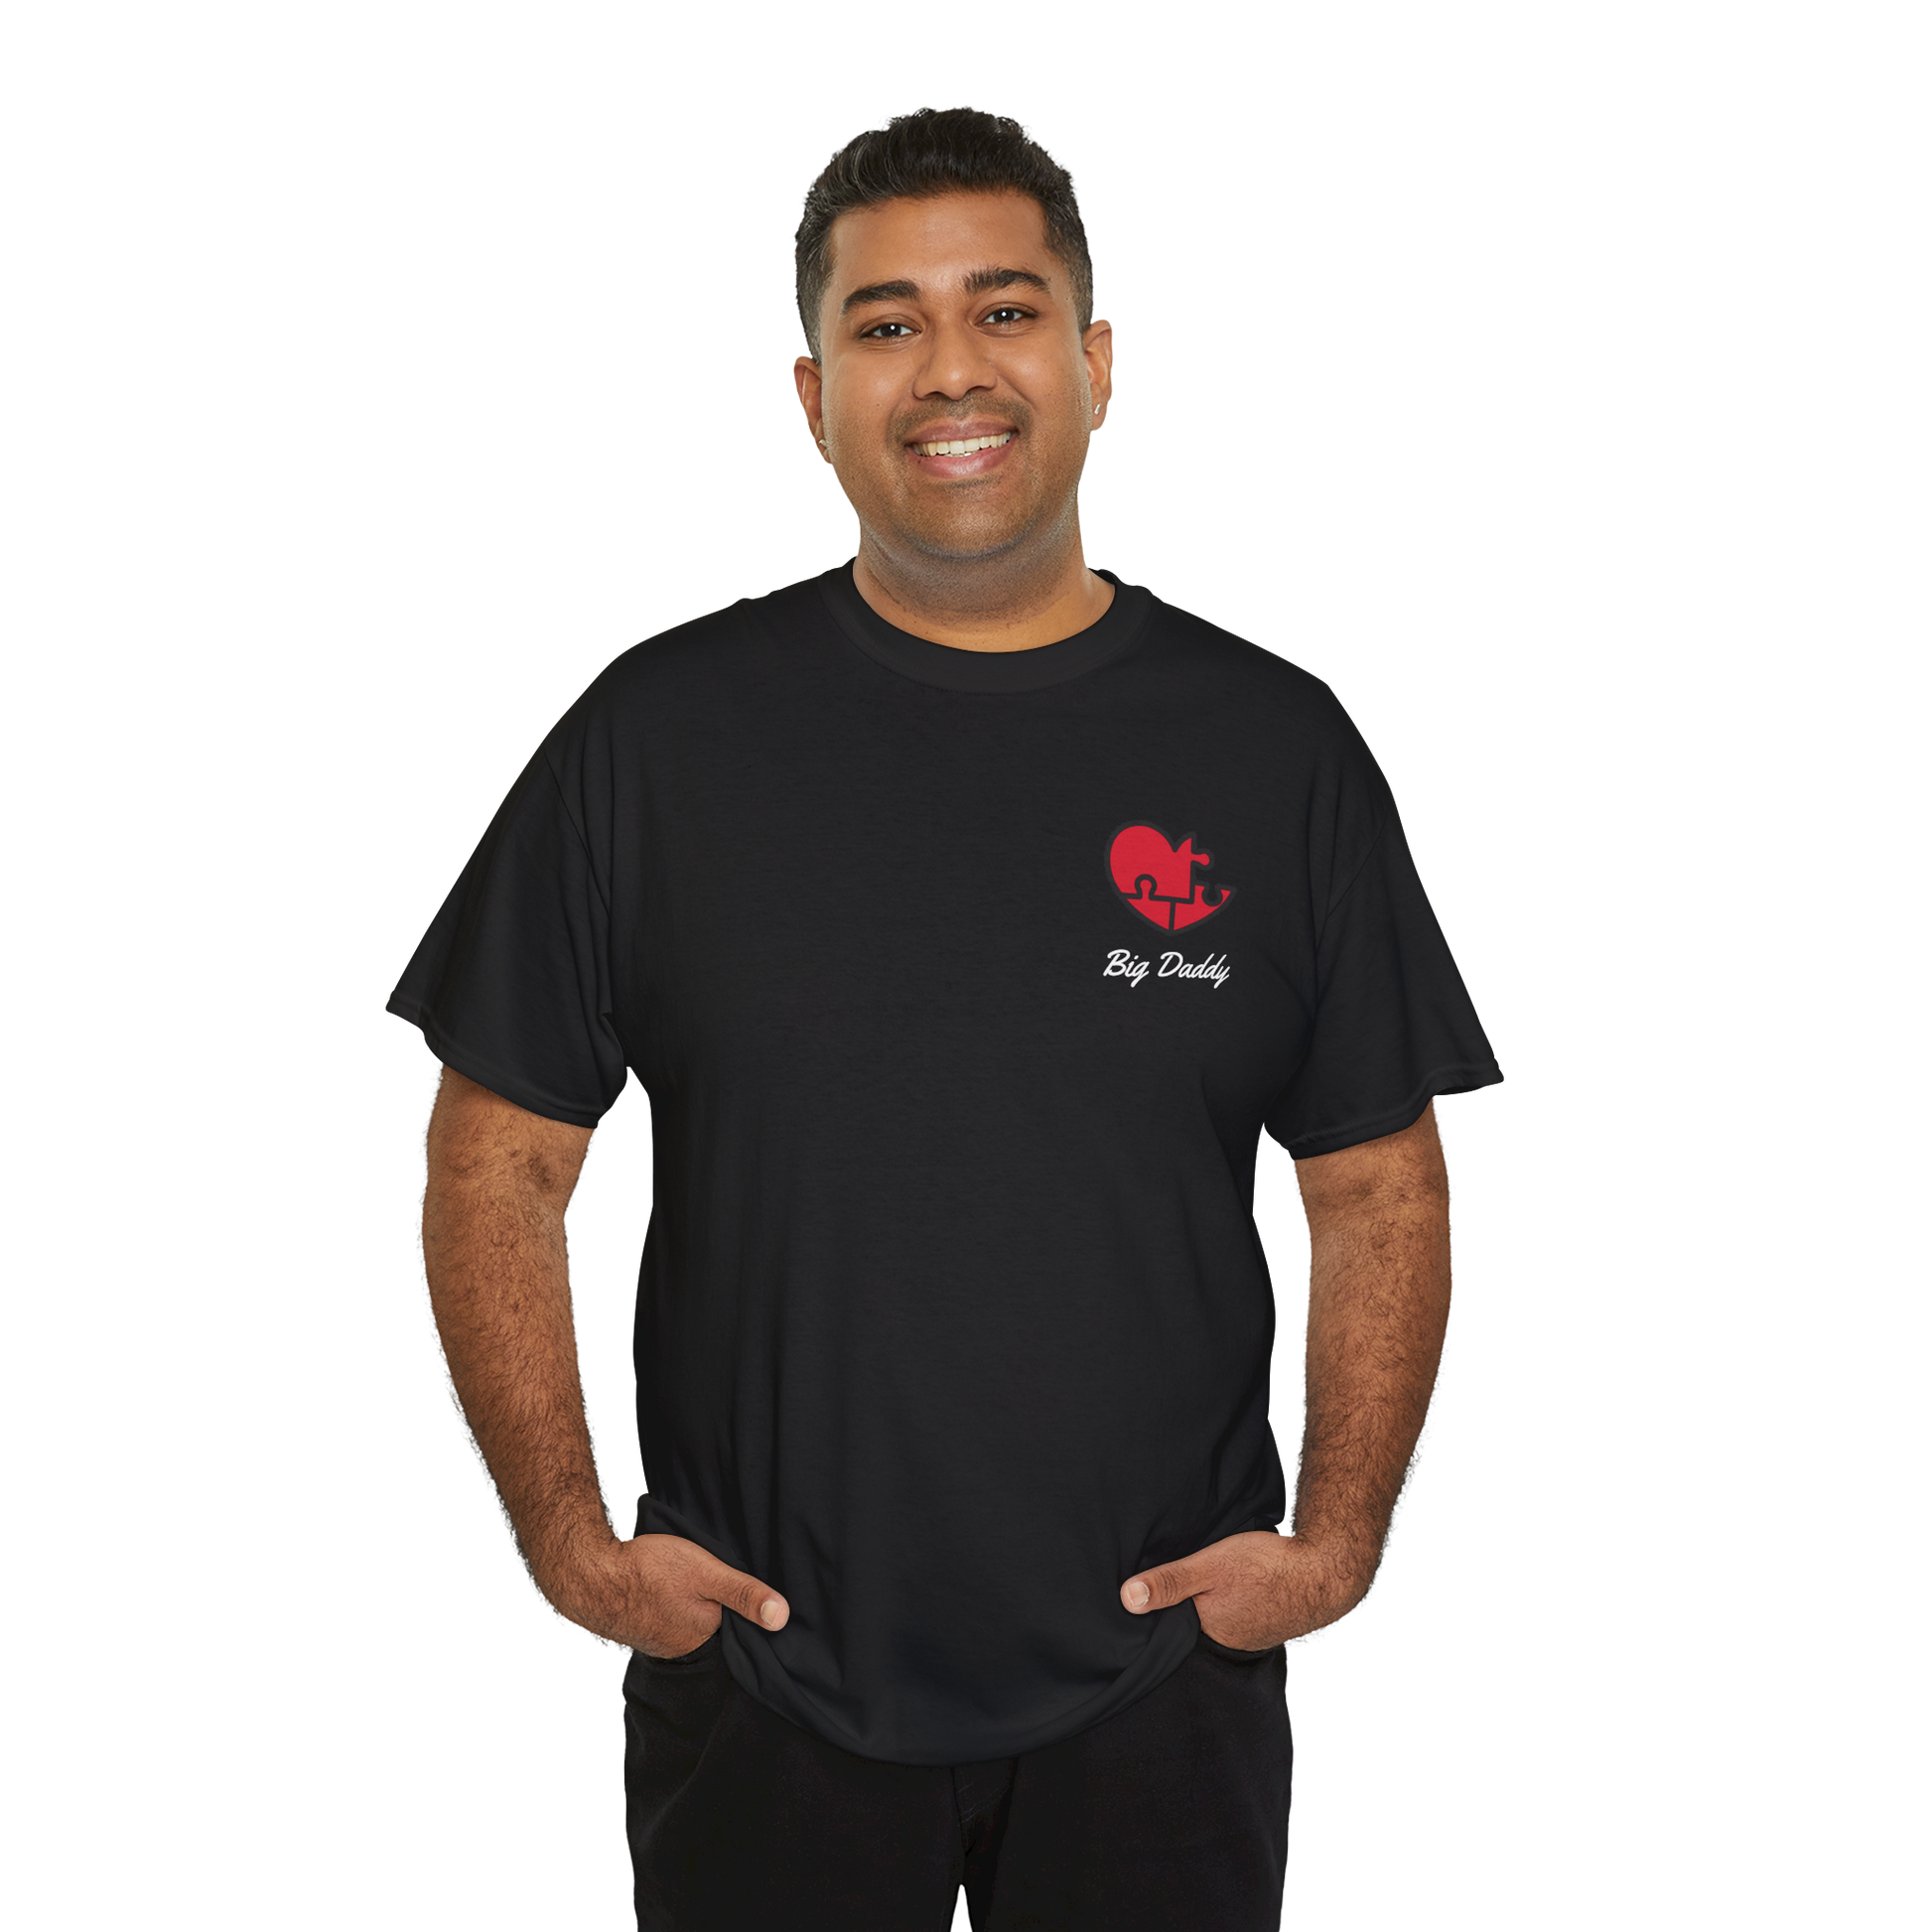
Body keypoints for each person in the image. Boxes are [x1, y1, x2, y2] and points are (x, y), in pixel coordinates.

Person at [388, 102, 1504, 1931]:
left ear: (1097, 363)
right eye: (886, 323)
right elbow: (494, 1158)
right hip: (758, 1679)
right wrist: (573, 1548)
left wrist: (1335, 1543)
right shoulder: (649, 738)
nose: (950, 370)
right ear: (813, 396)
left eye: (1002, 307)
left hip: (1165, 1682)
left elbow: (1376, 1179)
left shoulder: (1276, 743)